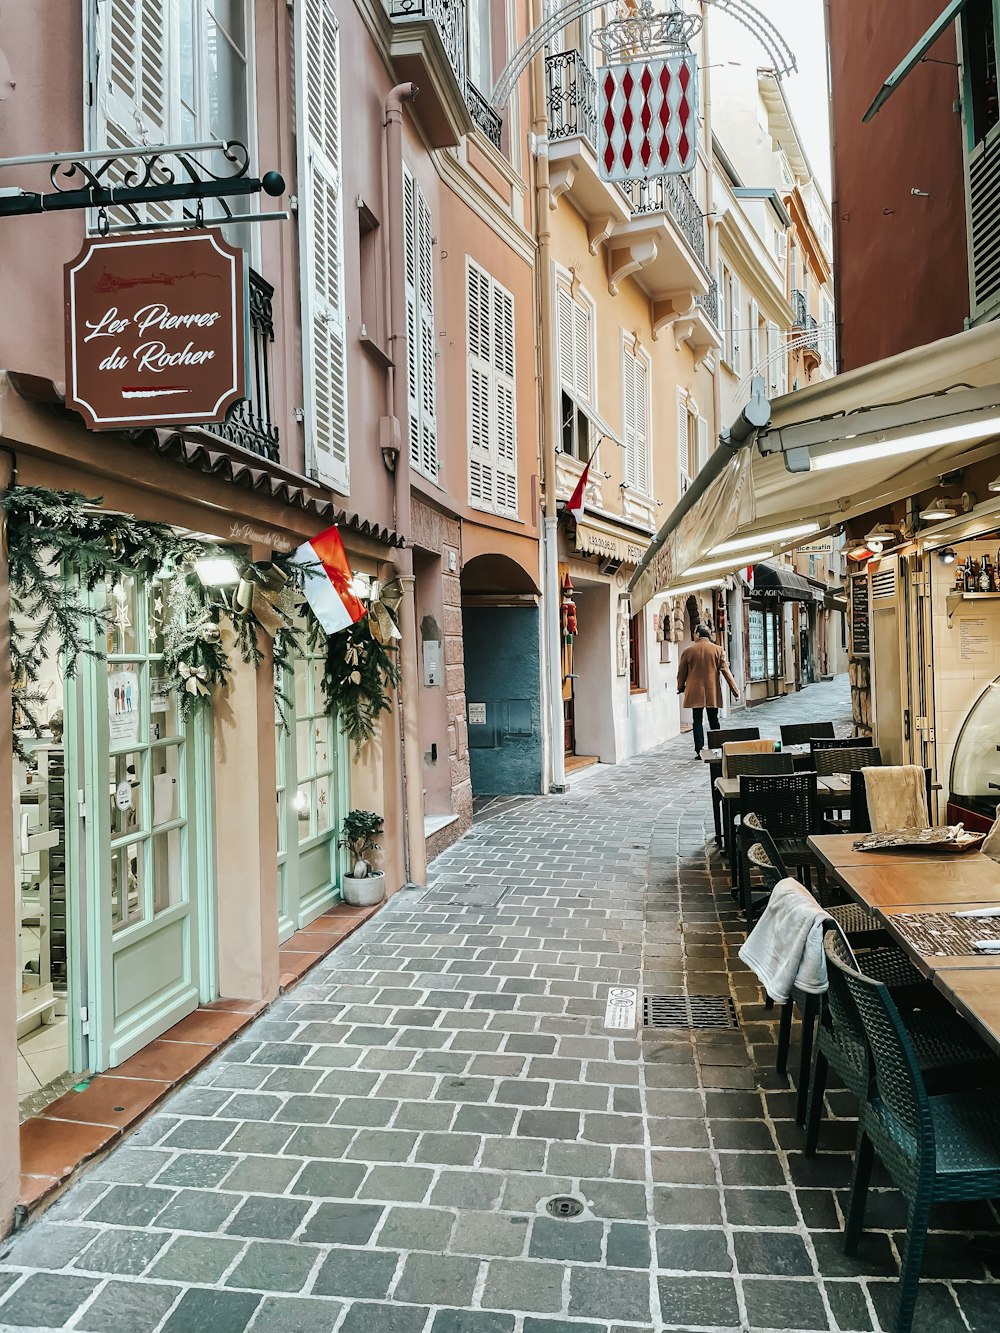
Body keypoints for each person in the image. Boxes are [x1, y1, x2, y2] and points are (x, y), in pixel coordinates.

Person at [677, 624, 740, 758]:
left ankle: (699, 750)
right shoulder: (718, 650)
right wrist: (735, 690)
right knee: (713, 719)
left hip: (694, 691)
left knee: (697, 720)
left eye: (694, 633)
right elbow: (726, 671)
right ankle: (716, 747)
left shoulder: (688, 651)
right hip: (712, 690)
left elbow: (681, 672)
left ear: (698, 634)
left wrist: (680, 686)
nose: (694, 635)